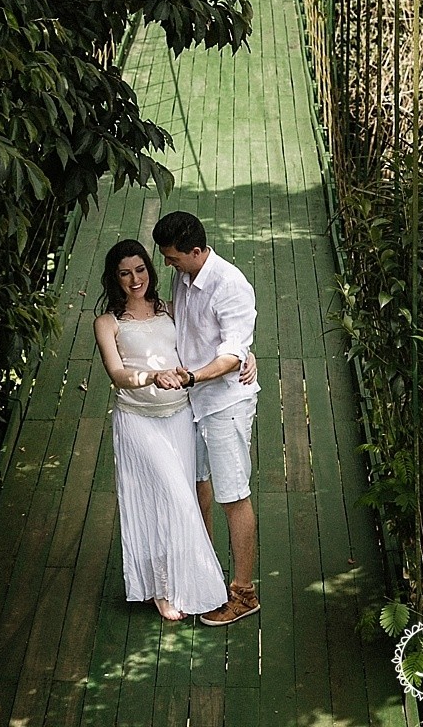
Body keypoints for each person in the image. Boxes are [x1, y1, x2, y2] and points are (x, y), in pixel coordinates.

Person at [93, 239, 229, 621]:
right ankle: (160, 588)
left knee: (180, 496)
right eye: (125, 273)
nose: (135, 279)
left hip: (179, 416)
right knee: (169, 497)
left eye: (140, 270)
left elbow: (206, 340)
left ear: (149, 270)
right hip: (137, 420)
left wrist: (243, 354)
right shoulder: (107, 323)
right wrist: (152, 376)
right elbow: (118, 374)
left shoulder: (169, 309)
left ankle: (184, 582)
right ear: (115, 278)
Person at [151, 210, 260, 626]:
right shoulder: (184, 277)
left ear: (196, 251)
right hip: (192, 404)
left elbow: (231, 353)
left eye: (173, 258)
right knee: (198, 488)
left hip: (224, 405)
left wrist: (195, 375)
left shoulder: (230, 285)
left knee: (233, 496)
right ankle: (206, 579)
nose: (168, 265)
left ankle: (244, 593)